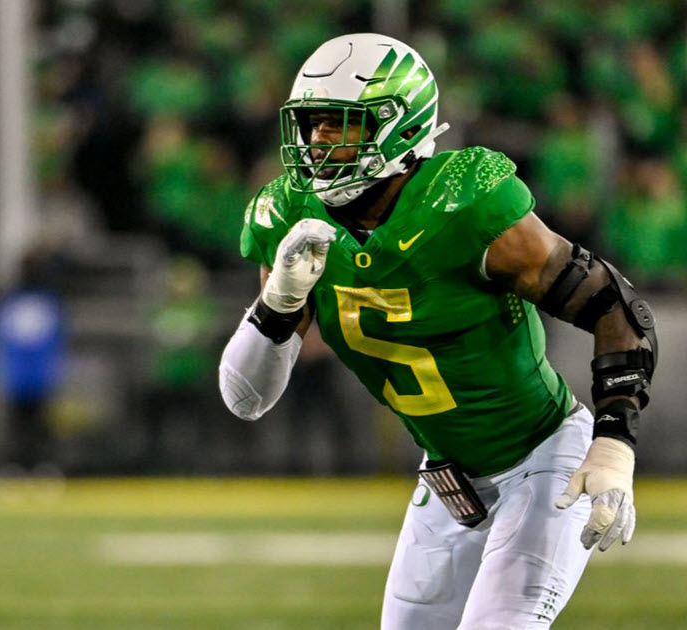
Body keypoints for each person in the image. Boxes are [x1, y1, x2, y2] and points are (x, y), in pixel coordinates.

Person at [219, 33, 657, 629]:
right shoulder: (289, 215)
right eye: (312, 123)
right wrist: (279, 300)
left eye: (339, 124)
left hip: (542, 461)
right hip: (447, 484)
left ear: (399, 126)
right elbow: (246, 398)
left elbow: (617, 309)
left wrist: (614, 441)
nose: (318, 140)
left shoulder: (463, 203)